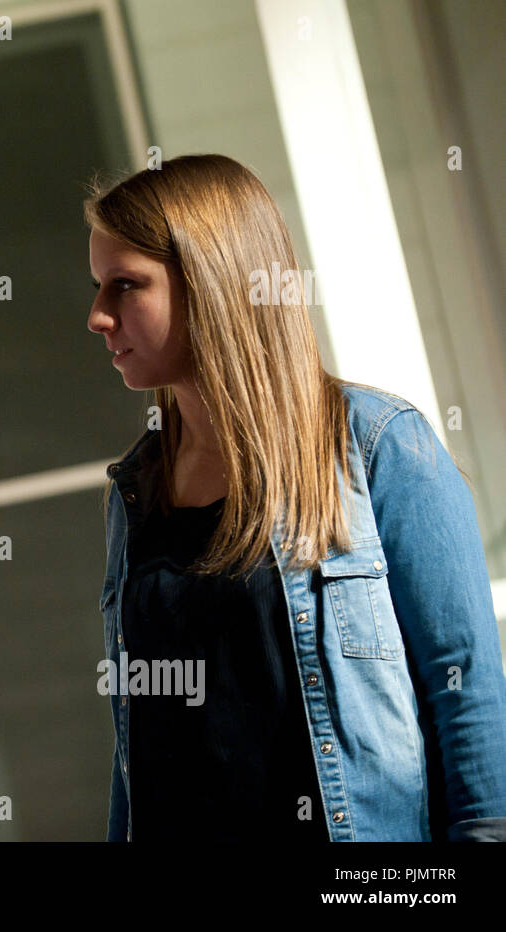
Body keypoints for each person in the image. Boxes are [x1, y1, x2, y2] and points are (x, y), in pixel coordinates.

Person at [85, 153, 506, 841]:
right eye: (99, 286)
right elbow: (138, 744)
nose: (98, 316)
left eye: (125, 286)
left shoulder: (377, 447)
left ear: (212, 283)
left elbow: (469, 700)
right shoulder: (136, 492)